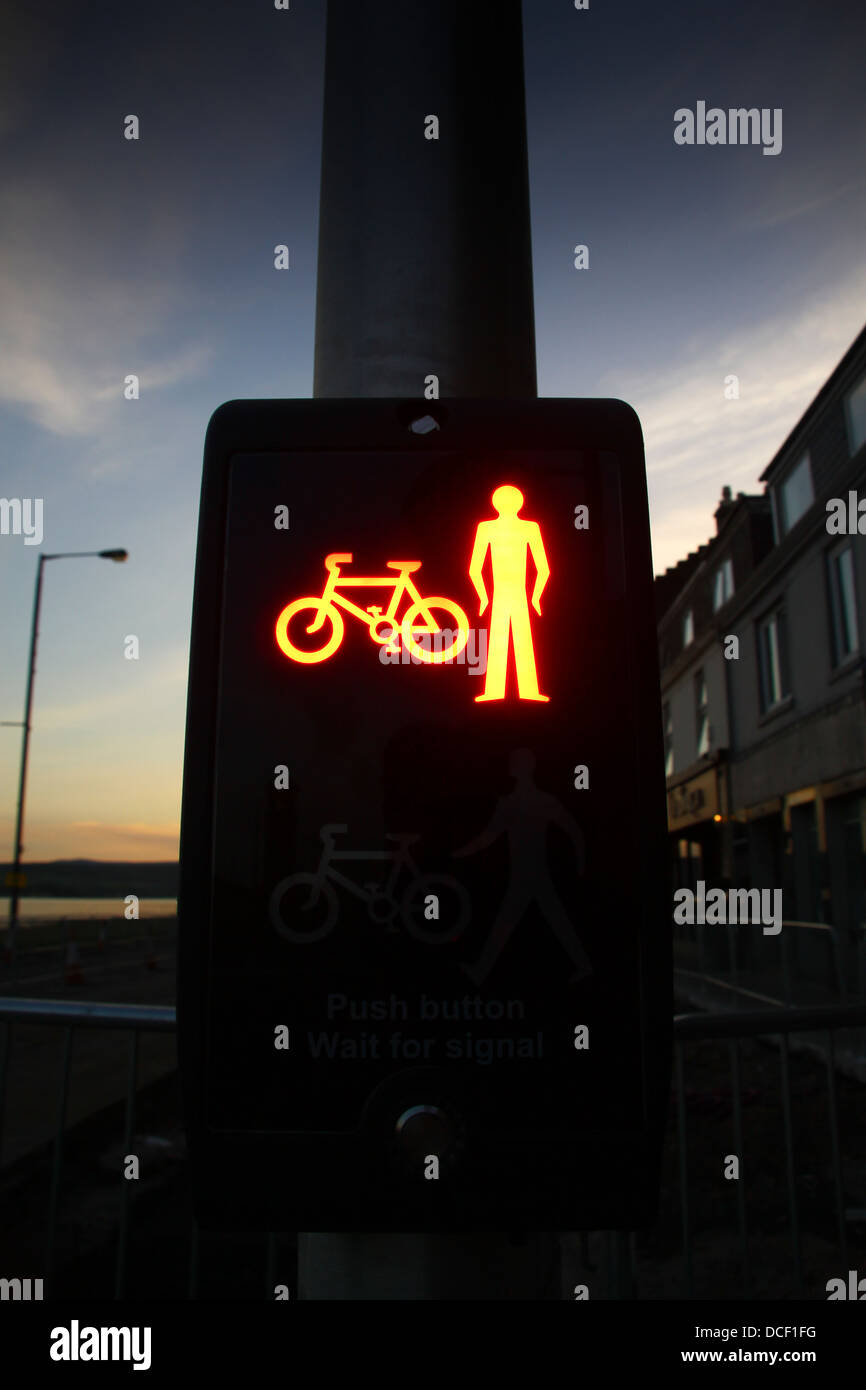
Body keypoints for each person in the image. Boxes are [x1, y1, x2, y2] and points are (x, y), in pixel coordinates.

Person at [454, 748, 592, 985]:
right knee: (549, 921)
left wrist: (457, 854)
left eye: (514, 762)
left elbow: (486, 838)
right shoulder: (535, 801)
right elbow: (575, 832)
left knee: (513, 923)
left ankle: (480, 972)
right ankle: (584, 965)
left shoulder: (515, 803)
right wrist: (579, 864)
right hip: (531, 875)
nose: (510, 765)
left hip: (528, 876)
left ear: (523, 767)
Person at [468, 484, 549, 701]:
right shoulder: (527, 528)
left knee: (501, 639)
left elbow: (474, 569)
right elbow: (544, 569)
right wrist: (536, 596)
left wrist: (483, 596)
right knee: (519, 639)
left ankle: (499, 692)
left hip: (504, 593)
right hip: (514, 592)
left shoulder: (488, 528)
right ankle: (525, 692)